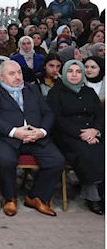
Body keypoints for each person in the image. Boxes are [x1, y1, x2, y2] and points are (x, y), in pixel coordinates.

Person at [0, 60, 65, 217]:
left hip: (35, 136)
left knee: (56, 161)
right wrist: (14, 132)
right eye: (12, 74)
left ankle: (36, 197)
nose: (18, 77)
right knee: (5, 160)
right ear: (0, 76)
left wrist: (41, 131)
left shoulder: (31, 89)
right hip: (5, 137)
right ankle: (10, 198)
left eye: (19, 72)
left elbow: (48, 113)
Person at [46, 60, 105, 214]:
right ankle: (94, 198)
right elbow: (57, 119)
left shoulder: (89, 92)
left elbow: (100, 115)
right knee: (87, 153)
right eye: (70, 71)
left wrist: (95, 131)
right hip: (67, 134)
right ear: (64, 73)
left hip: (92, 132)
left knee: (101, 149)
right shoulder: (55, 92)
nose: (74, 75)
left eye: (78, 71)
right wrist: (81, 134)